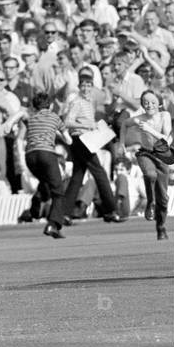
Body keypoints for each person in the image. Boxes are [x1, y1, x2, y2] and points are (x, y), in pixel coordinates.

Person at [62, 68, 124, 224]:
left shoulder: (89, 102)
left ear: (92, 87)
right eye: (83, 85)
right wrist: (87, 124)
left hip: (85, 139)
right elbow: (68, 122)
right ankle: (111, 210)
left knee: (77, 176)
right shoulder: (77, 101)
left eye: (89, 85)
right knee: (100, 173)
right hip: (80, 139)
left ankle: (64, 213)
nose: (86, 88)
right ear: (79, 86)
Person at [121, 90, 174, 240]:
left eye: (152, 102)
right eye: (146, 102)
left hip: (163, 155)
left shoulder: (165, 116)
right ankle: (150, 201)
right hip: (146, 153)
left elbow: (167, 139)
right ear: (142, 105)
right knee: (150, 174)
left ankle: (161, 226)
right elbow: (125, 124)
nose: (149, 105)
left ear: (160, 104)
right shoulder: (139, 118)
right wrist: (121, 144)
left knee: (163, 198)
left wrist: (150, 130)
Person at [22, 92, 71, 238]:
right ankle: (53, 224)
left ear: (34, 106)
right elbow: (68, 141)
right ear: (50, 106)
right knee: (58, 190)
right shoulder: (54, 117)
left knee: (45, 181)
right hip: (46, 154)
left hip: (30, 156)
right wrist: (59, 134)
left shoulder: (31, 118)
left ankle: (35, 205)